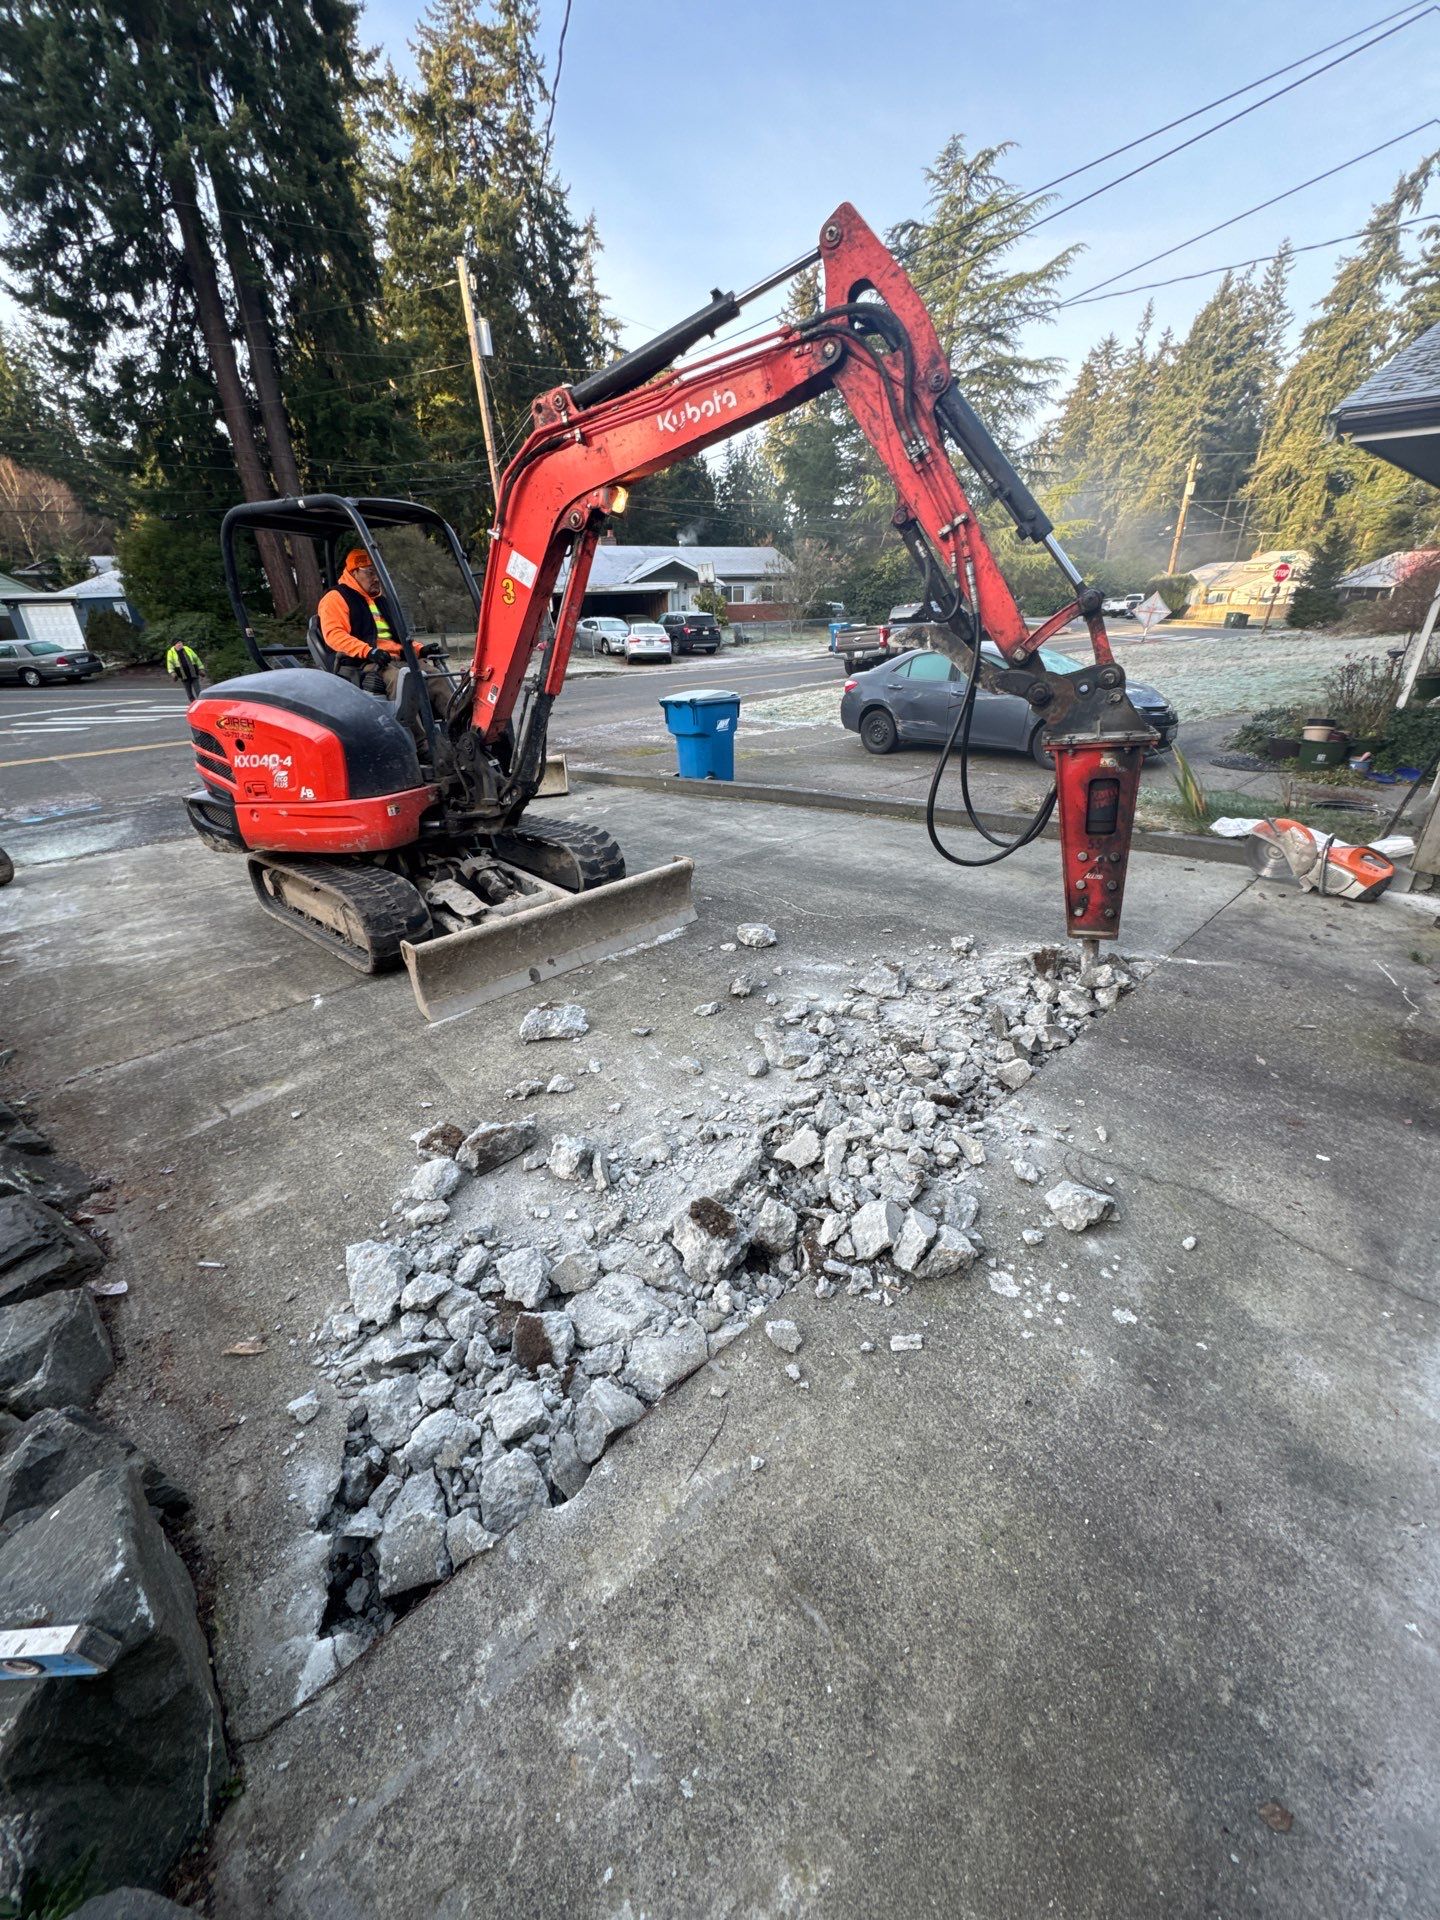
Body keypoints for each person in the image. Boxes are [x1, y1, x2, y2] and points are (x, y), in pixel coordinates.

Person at [318, 549, 405, 695]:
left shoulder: (381, 601)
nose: (376, 579)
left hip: (396, 659)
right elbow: (335, 635)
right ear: (354, 573)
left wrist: (420, 649)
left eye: (378, 573)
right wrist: (369, 651)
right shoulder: (335, 598)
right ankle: (407, 712)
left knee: (434, 675)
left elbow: (399, 637)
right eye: (370, 573)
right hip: (364, 663)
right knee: (403, 681)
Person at [165, 635, 205, 701]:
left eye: (181, 643)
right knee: (189, 692)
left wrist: (201, 669)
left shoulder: (187, 649)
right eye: (178, 643)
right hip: (184, 675)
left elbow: (196, 659)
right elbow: (170, 663)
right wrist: (172, 673)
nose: (180, 644)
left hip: (193, 672)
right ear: (174, 645)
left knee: (198, 691)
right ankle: (193, 703)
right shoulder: (171, 652)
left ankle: (201, 703)